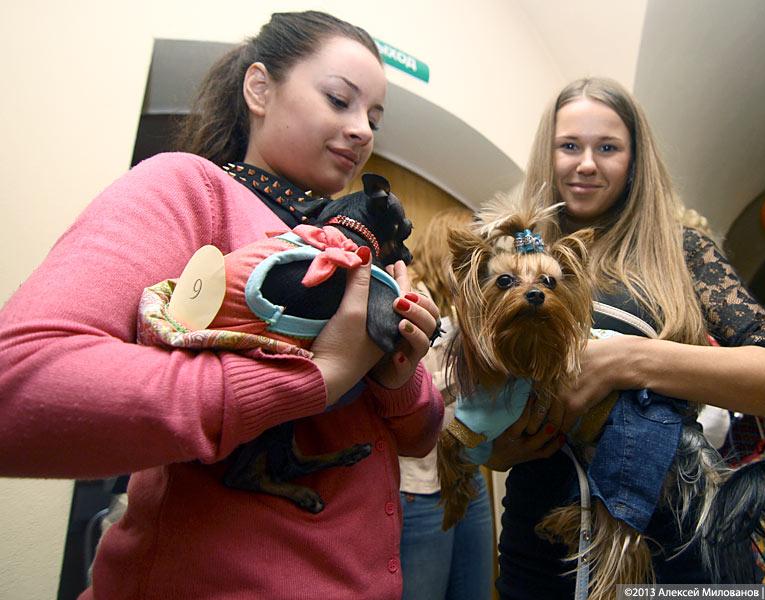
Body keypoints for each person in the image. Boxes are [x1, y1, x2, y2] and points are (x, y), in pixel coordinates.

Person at [0, 11, 443, 600]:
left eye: (374, 117)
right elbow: (21, 387)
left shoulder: (363, 250)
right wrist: (318, 376)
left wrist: (395, 374)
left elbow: (418, 437)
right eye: (340, 100)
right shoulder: (190, 189)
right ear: (259, 88)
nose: (362, 130)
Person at [486, 77, 765, 598]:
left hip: (668, 548)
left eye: (608, 147)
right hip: (541, 545)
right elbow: (487, 410)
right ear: (547, 152)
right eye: (569, 146)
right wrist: (498, 446)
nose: (586, 164)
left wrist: (629, 359)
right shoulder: (515, 254)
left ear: (635, 160)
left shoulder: (682, 251)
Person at [399, 208, 494, 600]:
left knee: (474, 589)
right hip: (419, 485)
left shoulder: (466, 310)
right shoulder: (409, 302)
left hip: (467, 476)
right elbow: (413, 392)